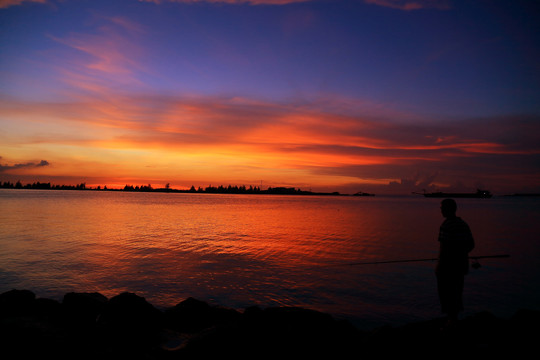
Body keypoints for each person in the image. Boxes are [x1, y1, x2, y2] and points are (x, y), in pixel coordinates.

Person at [435, 198, 475, 329]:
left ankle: (451, 321)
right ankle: (454, 319)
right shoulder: (463, 224)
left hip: (448, 266)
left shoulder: (446, 225)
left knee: (446, 292)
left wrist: (439, 266)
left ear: (448, 209)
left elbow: (444, 248)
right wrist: (460, 253)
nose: (440, 210)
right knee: (457, 291)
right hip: (461, 265)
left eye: (442, 208)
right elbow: (471, 245)